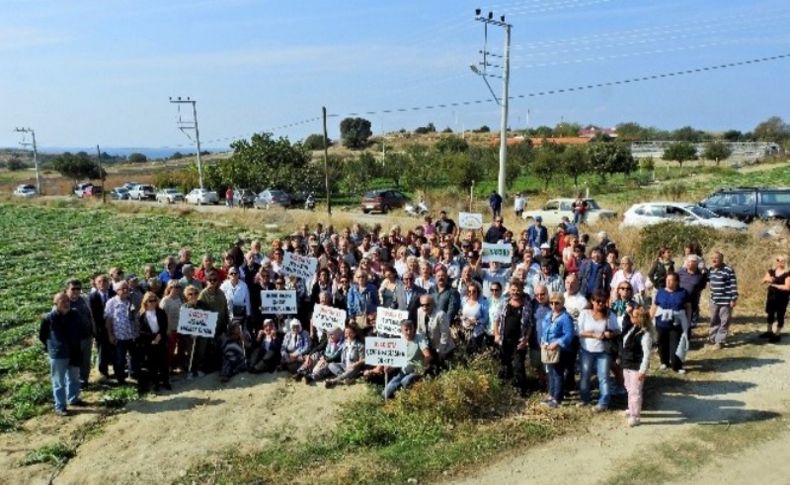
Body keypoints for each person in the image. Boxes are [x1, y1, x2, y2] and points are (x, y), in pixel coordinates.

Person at [39, 292, 83, 416]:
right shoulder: (49, 318)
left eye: (67, 301)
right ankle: (60, 406)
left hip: (74, 351)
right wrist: (54, 346)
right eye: (62, 301)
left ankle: (73, 399)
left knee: (74, 377)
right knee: (59, 381)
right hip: (58, 354)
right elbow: (42, 336)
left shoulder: (74, 314)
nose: (66, 303)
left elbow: (79, 329)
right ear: (56, 303)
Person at [577, 289, 619, 411]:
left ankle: (603, 403)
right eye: (598, 301)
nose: (600, 304)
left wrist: (610, 334)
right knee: (585, 375)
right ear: (592, 301)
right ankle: (585, 399)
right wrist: (593, 335)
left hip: (603, 351)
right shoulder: (584, 314)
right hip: (586, 350)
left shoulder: (610, 315)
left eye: (603, 301)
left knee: (604, 377)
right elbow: (578, 332)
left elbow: (617, 330)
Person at [367, 320, 431, 399]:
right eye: (406, 330)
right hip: (403, 372)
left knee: (405, 382)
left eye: (411, 329)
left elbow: (427, 356)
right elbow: (398, 361)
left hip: (415, 371)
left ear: (414, 328)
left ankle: (404, 398)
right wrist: (390, 367)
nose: (409, 332)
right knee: (385, 394)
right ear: (402, 331)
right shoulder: (400, 341)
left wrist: (420, 369)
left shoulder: (419, 338)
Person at [495, 280, 533, 397]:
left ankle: (522, 389)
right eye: (513, 290)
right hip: (504, 339)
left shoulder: (526, 305)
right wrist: (496, 334)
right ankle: (507, 387)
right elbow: (496, 320)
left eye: (518, 290)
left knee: (519, 365)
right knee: (505, 363)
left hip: (519, 340)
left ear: (522, 291)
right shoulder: (504, 303)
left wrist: (526, 339)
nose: (515, 292)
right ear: (510, 291)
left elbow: (530, 325)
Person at [650, 273, 691, 373]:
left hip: (676, 325)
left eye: (671, 280)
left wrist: (688, 321)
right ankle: (664, 362)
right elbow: (654, 306)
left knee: (675, 347)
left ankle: (677, 365)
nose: (668, 282)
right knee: (662, 345)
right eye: (667, 280)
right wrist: (650, 321)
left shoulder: (683, 292)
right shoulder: (660, 292)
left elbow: (688, 307)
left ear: (677, 282)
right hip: (661, 324)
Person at [540, 292, 575, 408]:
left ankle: (557, 398)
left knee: (558, 373)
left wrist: (558, 343)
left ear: (562, 303)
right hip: (548, 349)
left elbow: (569, 334)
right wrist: (543, 341)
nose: (554, 305)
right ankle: (551, 395)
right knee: (550, 372)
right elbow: (544, 330)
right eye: (551, 303)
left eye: (557, 303)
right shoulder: (549, 315)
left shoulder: (565, 317)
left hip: (560, 350)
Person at [621, 308, 653, 427]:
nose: (631, 317)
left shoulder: (646, 335)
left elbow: (647, 354)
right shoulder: (633, 329)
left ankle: (635, 416)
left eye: (633, 316)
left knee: (635, 391)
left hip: (636, 366)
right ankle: (631, 408)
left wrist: (643, 370)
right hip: (627, 364)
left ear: (638, 319)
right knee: (629, 388)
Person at [104, 281, 138, 384]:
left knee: (133, 357)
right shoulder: (111, 302)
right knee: (120, 359)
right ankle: (120, 379)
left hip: (131, 335)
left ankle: (133, 375)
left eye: (126, 288)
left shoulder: (130, 301)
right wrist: (110, 335)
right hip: (119, 336)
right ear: (116, 291)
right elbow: (108, 320)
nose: (125, 291)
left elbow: (134, 317)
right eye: (122, 289)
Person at [137, 291, 170, 391]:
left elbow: (164, 326)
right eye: (150, 301)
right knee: (152, 364)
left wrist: (159, 335)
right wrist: (153, 337)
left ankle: (165, 381)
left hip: (161, 340)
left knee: (163, 362)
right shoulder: (141, 315)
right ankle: (155, 383)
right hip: (149, 343)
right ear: (146, 302)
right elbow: (141, 331)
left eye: (155, 300)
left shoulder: (161, 312)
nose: (153, 302)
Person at [707, 251, 738, 350]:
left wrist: (733, 298)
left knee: (724, 321)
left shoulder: (728, 270)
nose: (714, 260)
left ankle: (719, 341)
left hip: (726, 301)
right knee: (714, 320)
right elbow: (707, 281)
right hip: (714, 300)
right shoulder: (711, 270)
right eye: (712, 258)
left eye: (716, 258)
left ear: (721, 259)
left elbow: (733, 285)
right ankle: (712, 338)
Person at [65, 279, 93, 388]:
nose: (76, 291)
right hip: (73, 340)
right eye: (73, 289)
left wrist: (93, 330)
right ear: (66, 289)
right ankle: (73, 384)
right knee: (73, 364)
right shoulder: (63, 302)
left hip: (87, 336)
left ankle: (84, 381)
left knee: (85, 361)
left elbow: (90, 316)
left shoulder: (84, 299)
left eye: (78, 289)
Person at [416, 295, 455, 368]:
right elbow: (419, 331)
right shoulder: (419, 312)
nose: (425, 307)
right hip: (430, 347)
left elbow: (445, 334)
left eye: (427, 305)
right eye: (422, 305)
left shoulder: (440, 315)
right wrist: (423, 347)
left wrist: (441, 351)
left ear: (432, 304)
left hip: (444, 348)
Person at [89, 274, 114, 380]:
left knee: (114, 348)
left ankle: (116, 369)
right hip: (100, 328)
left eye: (104, 281)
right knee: (102, 350)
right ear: (96, 284)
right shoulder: (93, 297)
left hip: (114, 325)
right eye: (99, 282)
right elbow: (92, 315)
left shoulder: (113, 294)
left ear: (108, 282)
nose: (102, 283)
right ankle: (103, 372)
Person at [761, 254, 789, 343]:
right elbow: (763, 281)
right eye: (778, 260)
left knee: (780, 315)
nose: (779, 262)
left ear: (785, 262)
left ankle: (777, 334)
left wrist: (774, 285)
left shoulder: (787, 273)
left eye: (782, 260)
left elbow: (787, 287)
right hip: (771, 297)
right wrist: (768, 280)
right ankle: (769, 331)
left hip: (782, 298)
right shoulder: (771, 271)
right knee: (770, 314)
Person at [159, 280, 183, 372]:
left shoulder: (178, 299)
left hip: (179, 327)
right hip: (170, 328)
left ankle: (176, 365)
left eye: (178, 287)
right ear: (169, 288)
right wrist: (166, 329)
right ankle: (168, 366)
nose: (176, 289)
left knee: (180, 347)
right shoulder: (165, 300)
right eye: (174, 287)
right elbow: (162, 317)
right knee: (170, 348)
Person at [677, 254, 707, 327]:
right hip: (681, 298)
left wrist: (696, 290)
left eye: (691, 262)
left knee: (691, 316)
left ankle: (691, 326)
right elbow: (675, 281)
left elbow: (703, 284)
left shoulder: (700, 274)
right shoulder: (681, 272)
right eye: (688, 262)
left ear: (696, 264)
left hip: (693, 298)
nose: (689, 263)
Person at [459, 284, 487, 354]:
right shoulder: (464, 301)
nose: (471, 293)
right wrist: (462, 317)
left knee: (475, 353)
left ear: (478, 292)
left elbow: (485, 318)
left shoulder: (482, 303)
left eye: (474, 291)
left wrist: (476, 321)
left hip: (477, 333)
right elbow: (461, 312)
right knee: (465, 353)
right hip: (465, 331)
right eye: (469, 291)